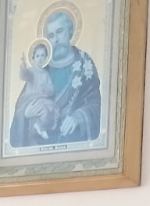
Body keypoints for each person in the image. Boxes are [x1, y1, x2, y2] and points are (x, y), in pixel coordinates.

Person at [7, 8, 102, 147]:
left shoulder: (84, 64)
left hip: (72, 140)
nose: (56, 40)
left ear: (70, 31)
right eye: (51, 35)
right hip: (39, 143)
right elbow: (23, 103)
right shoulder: (40, 68)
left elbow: (95, 103)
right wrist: (26, 113)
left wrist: (78, 117)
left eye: (60, 31)